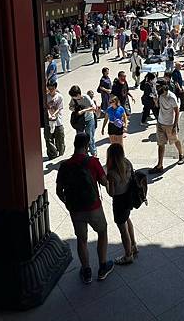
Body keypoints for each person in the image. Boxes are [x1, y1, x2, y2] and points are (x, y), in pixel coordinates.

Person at [56, 132, 114, 284]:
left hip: (76, 209)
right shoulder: (92, 162)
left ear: (75, 145)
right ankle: (102, 267)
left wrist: (68, 204)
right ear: (87, 145)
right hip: (93, 207)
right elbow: (103, 181)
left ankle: (86, 271)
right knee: (102, 232)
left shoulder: (65, 165)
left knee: (81, 240)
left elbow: (58, 191)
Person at [106, 143, 138, 265]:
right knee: (127, 220)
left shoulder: (112, 173)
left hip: (119, 201)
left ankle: (128, 255)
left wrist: (106, 184)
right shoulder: (127, 163)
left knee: (122, 228)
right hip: (128, 198)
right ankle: (134, 245)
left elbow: (111, 193)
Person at [149, 81, 184, 173]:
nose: (156, 89)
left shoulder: (172, 97)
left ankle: (181, 154)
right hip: (160, 123)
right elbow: (158, 107)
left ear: (163, 87)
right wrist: (155, 101)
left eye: (158, 87)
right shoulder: (160, 95)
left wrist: (175, 125)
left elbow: (177, 111)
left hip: (170, 124)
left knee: (175, 140)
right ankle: (159, 165)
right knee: (161, 144)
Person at [68, 85, 97, 156]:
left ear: (78, 95)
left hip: (89, 119)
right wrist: (73, 109)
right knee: (80, 138)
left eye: (73, 96)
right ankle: (82, 154)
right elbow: (70, 106)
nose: (72, 98)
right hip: (80, 121)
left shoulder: (86, 97)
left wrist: (84, 110)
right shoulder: (73, 99)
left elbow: (94, 107)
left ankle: (93, 153)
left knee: (89, 137)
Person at [45, 81, 65, 159]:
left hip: (58, 121)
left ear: (55, 88)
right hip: (48, 121)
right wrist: (49, 115)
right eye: (49, 88)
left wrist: (53, 114)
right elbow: (46, 108)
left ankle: (60, 153)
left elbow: (59, 108)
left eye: (52, 88)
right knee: (48, 139)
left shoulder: (59, 97)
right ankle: (52, 154)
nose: (50, 90)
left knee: (60, 139)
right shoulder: (46, 97)